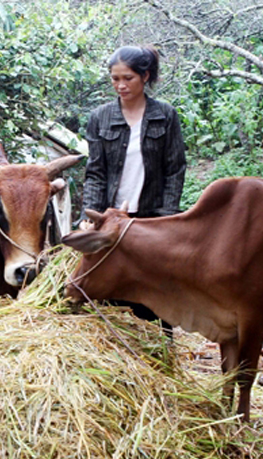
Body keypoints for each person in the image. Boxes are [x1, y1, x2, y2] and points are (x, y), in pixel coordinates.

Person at [79, 45, 187, 333]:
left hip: (151, 218)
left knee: (155, 290)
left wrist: (167, 218)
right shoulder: (100, 117)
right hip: (110, 219)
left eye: (128, 78)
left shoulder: (165, 115)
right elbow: (96, 171)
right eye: (115, 79)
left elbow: (175, 169)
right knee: (113, 289)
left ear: (145, 76)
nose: (120, 85)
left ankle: (160, 354)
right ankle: (121, 359)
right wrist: (90, 216)